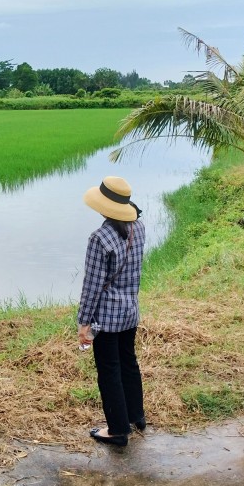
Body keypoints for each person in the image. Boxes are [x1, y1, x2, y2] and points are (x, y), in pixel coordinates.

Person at [77, 175, 147, 447]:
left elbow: (92, 285)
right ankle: (136, 416)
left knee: (109, 370)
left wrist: (84, 323)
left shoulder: (99, 238)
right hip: (130, 310)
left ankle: (117, 430)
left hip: (106, 317)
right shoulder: (138, 227)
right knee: (129, 363)